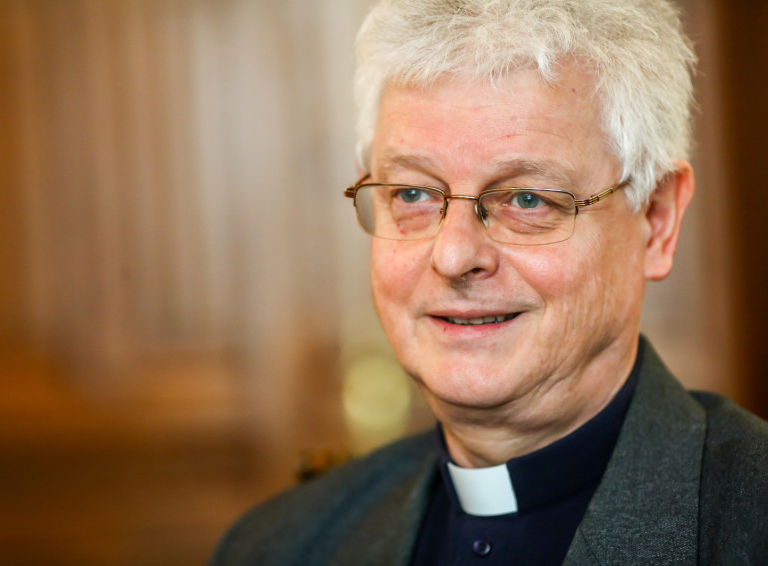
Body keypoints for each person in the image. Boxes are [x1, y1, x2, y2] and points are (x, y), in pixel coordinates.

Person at [211, 0, 768, 564]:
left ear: (656, 220)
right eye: (412, 193)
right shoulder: (277, 546)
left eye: (526, 199)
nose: (454, 256)